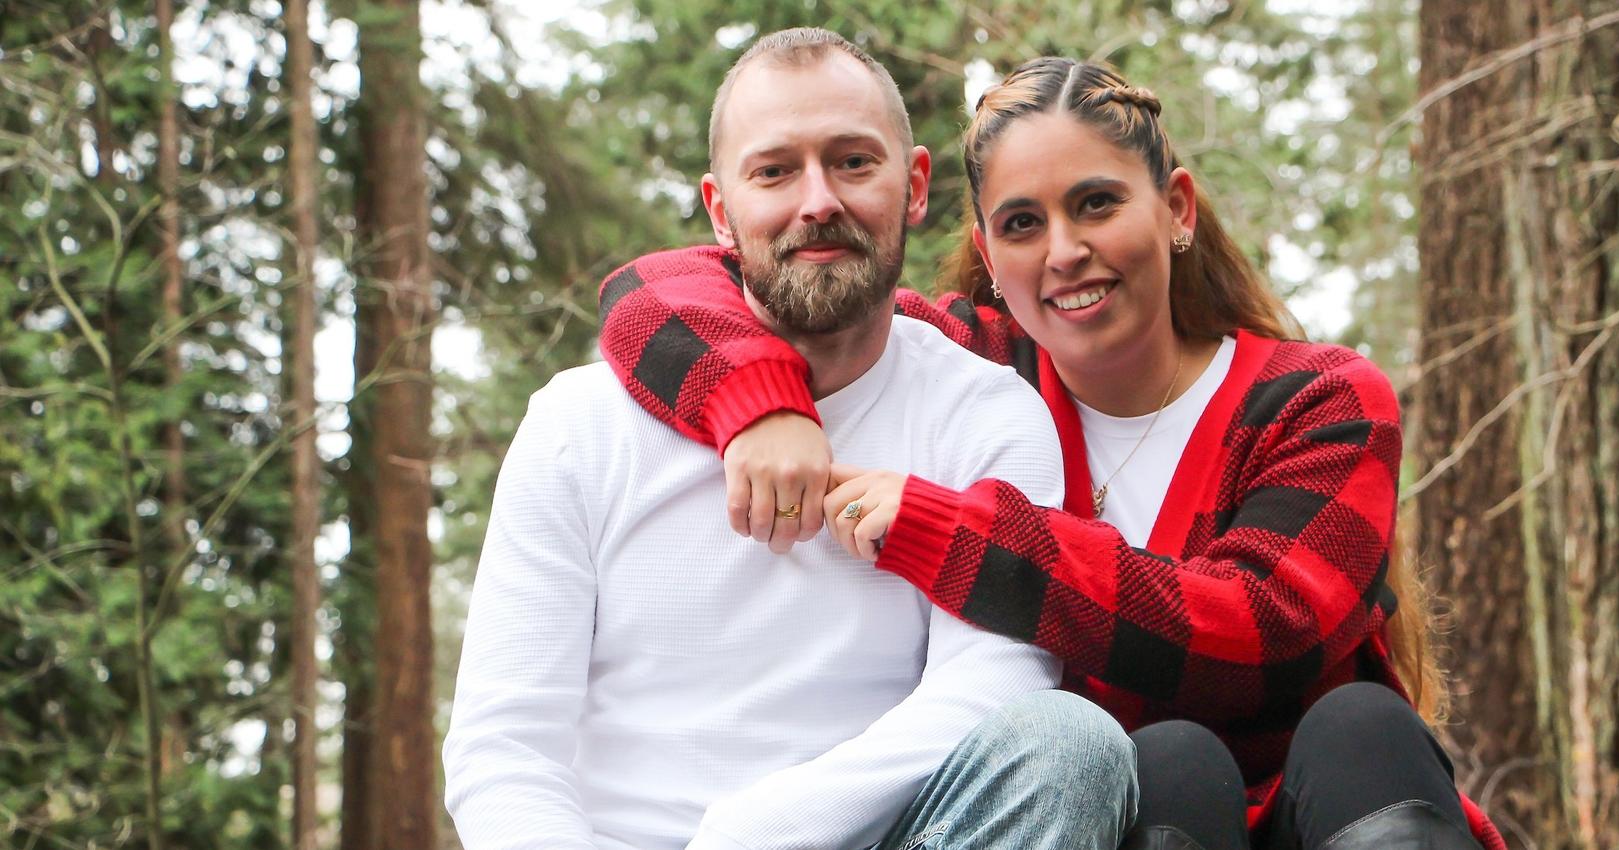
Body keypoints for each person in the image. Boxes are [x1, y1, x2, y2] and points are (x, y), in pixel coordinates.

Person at [595, 54, 1509, 850]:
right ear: (989, 254)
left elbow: (1261, 633)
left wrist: (956, 534)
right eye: (1023, 224)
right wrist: (759, 405)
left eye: (1097, 204)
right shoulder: (974, 369)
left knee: (1361, 726)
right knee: (1169, 762)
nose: (1065, 251)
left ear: (1176, 208)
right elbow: (654, 287)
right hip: (1123, 817)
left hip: (1325, 809)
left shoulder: (1320, 399)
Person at [443, 31, 1139, 850]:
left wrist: (765, 828)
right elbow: (504, 747)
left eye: (853, 162)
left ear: (914, 184)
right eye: (774, 171)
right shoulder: (581, 423)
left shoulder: (986, 414)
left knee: (1070, 744)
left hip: (880, 838)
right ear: (719, 210)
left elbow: (995, 682)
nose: (819, 201)